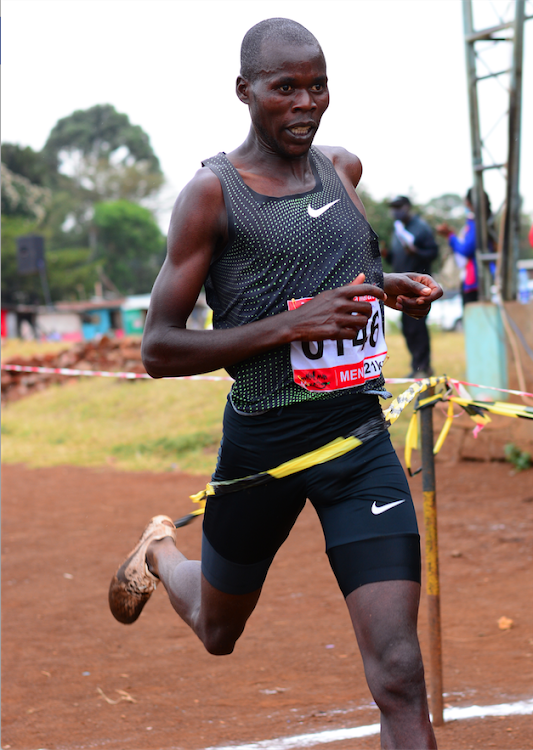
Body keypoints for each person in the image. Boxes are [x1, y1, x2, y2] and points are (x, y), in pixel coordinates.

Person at [108, 19, 441, 749]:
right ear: (244, 91)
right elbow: (159, 348)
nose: (304, 102)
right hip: (264, 448)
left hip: (358, 445)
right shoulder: (211, 195)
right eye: (284, 87)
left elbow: (326, 279)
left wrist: (383, 288)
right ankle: (163, 553)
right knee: (218, 630)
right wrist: (289, 329)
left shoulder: (343, 169)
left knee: (398, 670)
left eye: (316, 86)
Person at [387, 196, 439, 378]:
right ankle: (417, 366)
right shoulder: (397, 230)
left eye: (398, 206)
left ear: (407, 207)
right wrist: (386, 255)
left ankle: (423, 367)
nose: (395, 211)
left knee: (418, 327)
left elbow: (433, 252)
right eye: (392, 207)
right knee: (408, 329)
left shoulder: (421, 227)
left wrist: (416, 252)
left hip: (417, 288)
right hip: (401, 289)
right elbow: (396, 258)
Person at [436, 188, 495, 306]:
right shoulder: (486, 221)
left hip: (476, 279)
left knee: (474, 314)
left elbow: (466, 249)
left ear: (470, 203)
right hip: (481, 277)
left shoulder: (477, 223)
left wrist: (450, 236)